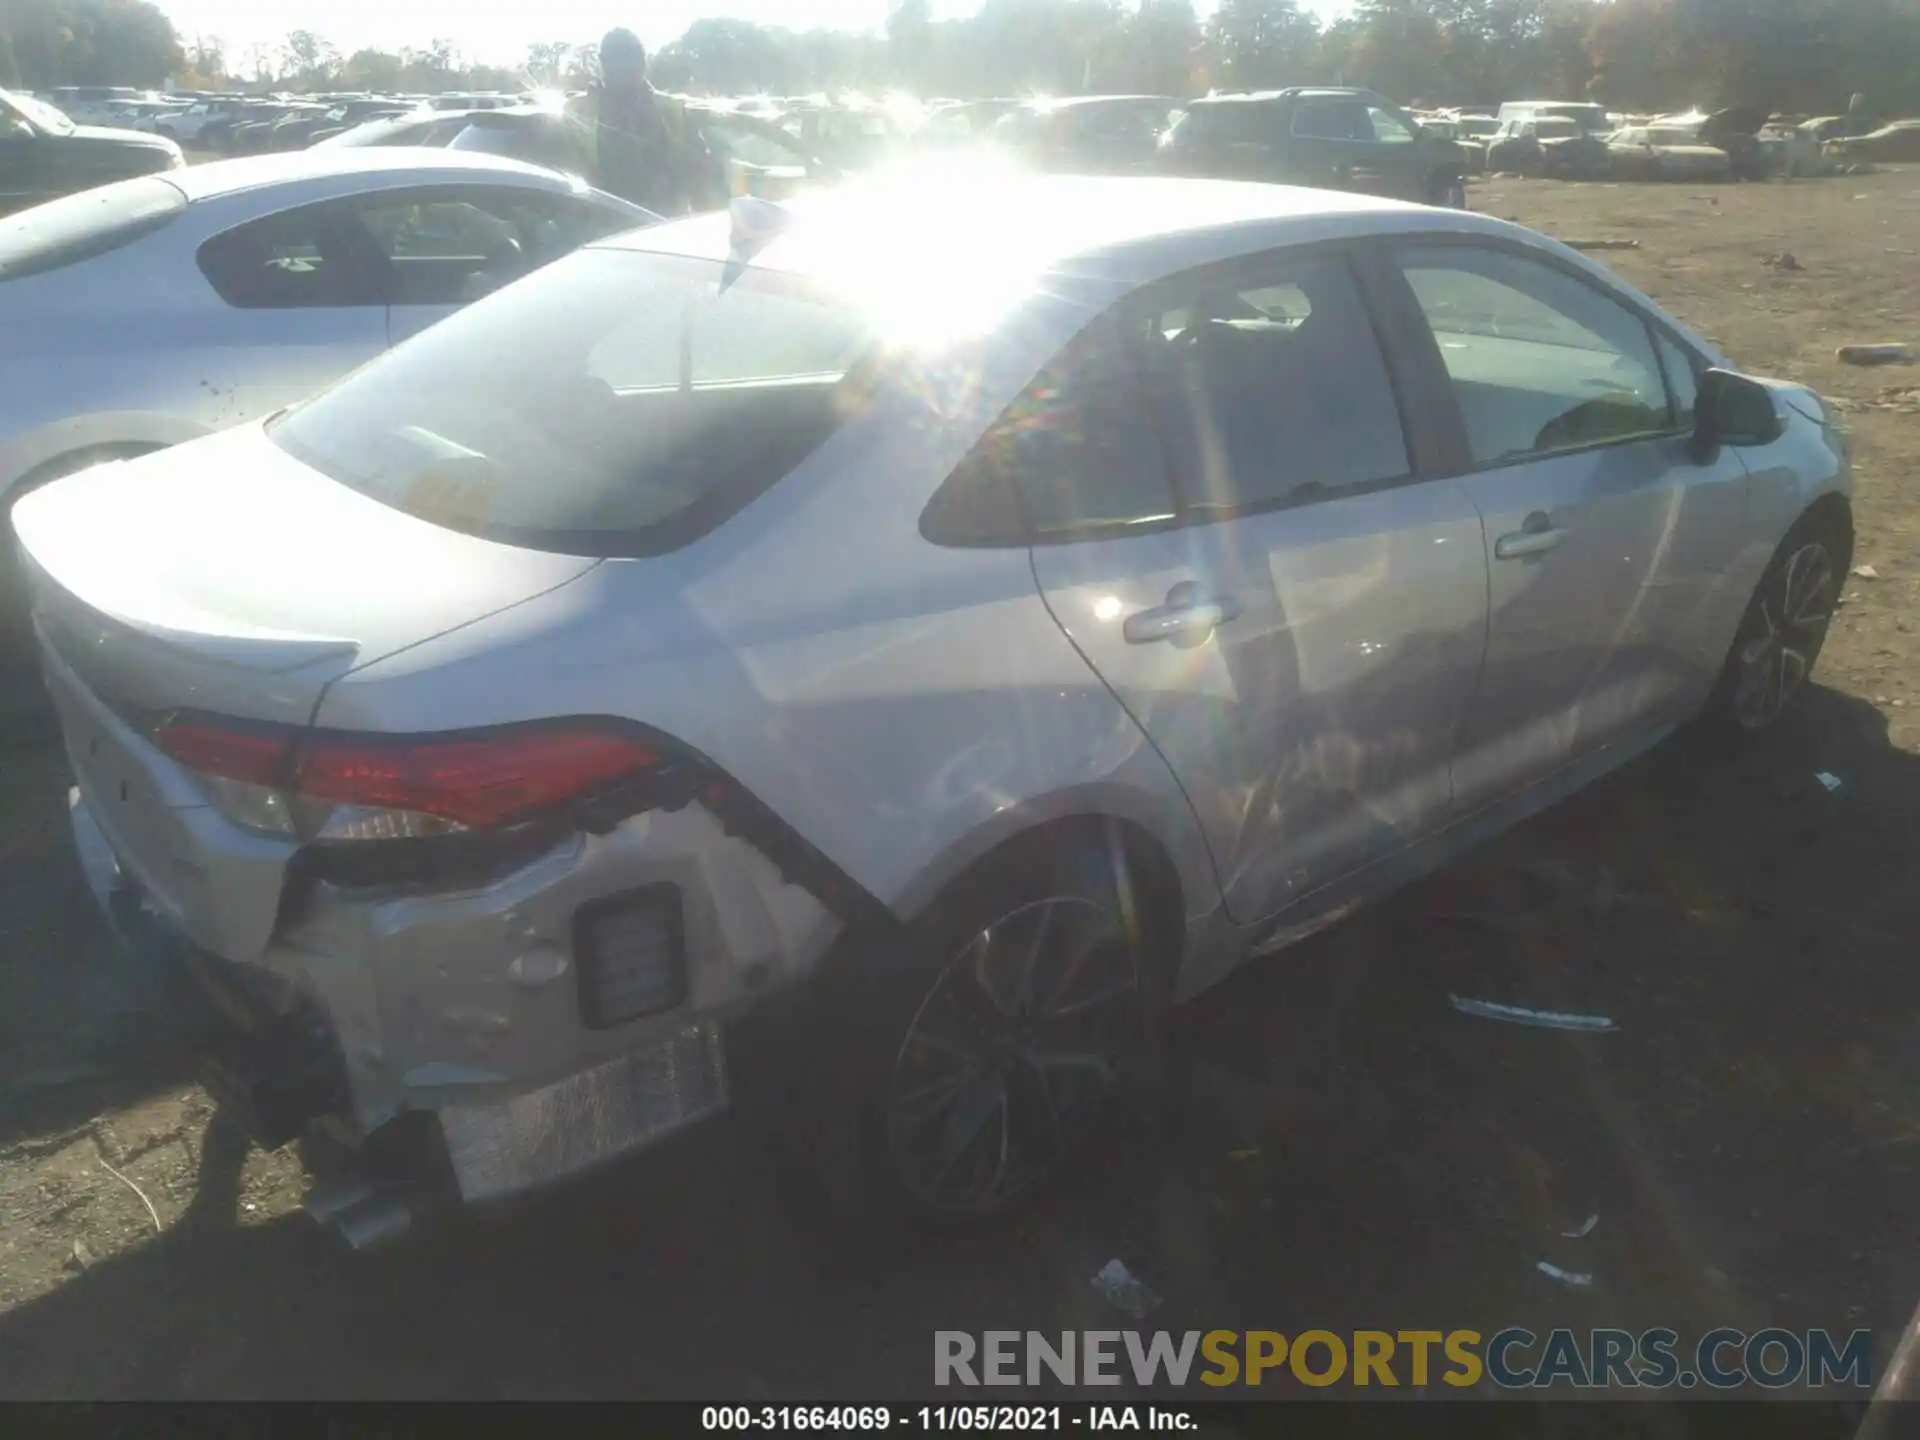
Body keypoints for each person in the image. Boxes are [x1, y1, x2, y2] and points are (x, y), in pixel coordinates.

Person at [563, 29, 716, 214]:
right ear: (604, 64)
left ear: (643, 63)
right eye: (618, 62)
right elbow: (566, 174)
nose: (625, 71)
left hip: (664, 220)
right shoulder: (579, 109)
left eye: (631, 62)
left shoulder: (670, 108)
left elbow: (700, 169)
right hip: (603, 219)